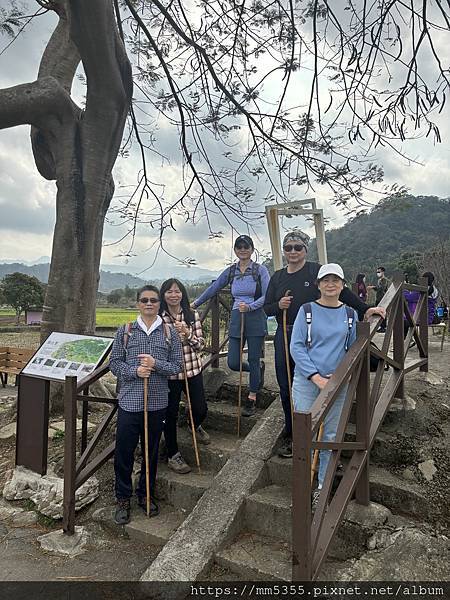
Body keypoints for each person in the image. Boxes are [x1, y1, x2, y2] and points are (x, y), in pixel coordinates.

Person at [263, 230, 386, 458]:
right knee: (286, 384)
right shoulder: (277, 277)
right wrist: (278, 304)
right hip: (285, 333)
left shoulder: (315, 271)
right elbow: (266, 307)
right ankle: (293, 435)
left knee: (320, 380)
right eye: (288, 247)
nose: (292, 252)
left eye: (297, 247)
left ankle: (323, 437)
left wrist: (364, 308)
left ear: (305, 250)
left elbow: (341, 291)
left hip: (314, 336)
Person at [110, 285, 183, 525]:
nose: (149, 304)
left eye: (153, 300)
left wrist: (155, 364)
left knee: (151, 452)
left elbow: (177, 366)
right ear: (138, 304)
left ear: (159, 304)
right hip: (130, 403)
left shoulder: (169, 333)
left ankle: (145, 493)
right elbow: (115, 364)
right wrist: (135, 371)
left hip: (157, 402)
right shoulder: (126, 331)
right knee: (124, 453)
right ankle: (122, 497)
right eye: (144, 300)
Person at [290, 263, 358, 508]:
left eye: (336, 280)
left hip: (337, 383)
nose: (331, 285)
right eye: (326, 280)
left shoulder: (350, 315)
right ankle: (302, 486)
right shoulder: (306, 310)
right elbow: (296, 346)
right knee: (305, 433)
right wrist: (315, 377)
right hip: (308, 382)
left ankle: (322, 488)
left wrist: (338, 377)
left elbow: (351, 350)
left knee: (330, 437)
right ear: (318, 285)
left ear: (342, 285)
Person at [192, 235, 270, 417]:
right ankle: (257, 370)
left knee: (251, 357)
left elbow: (268, 295)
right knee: (233, 361)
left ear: (252, 249)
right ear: (235, 250)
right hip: (237, 316)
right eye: (239, 247)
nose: (243, 250)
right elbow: (214, 288)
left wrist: (251, 306)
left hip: (256, 316)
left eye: (246, 246)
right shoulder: (231, 271)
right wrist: (195, 303)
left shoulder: (261, 270)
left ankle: (251, 398)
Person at [160, 278, 209, 475]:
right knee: (169, 415)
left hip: (192, 370)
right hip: (170, 375)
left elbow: (201, 345)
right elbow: (156, 347)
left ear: (183, 294)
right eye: (169, 291)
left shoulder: (192, 314)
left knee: (200, 408)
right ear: (163, 295)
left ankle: (194, 424)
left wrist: (188, 334)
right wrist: (171, 339)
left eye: (177, 291)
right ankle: (173, 454)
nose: (173, 295)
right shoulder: (159, 318)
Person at [370, 267, 390, 332]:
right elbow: (378, 289)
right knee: (378, 312)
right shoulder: (379, 280)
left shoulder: (384, 280)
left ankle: (383, 327)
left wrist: (374, 287)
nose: (378, 273)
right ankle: (381, 326)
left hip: (383, 298)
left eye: (379, 272)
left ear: (383, 272)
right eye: (377, 272)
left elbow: (382, 288)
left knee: (382, 312)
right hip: (378, 298)